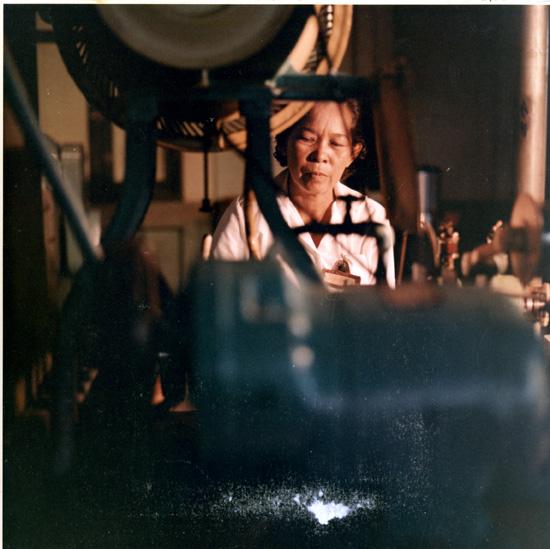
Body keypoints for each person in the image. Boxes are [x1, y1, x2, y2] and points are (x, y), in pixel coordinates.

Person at [210, 100, 395, 288]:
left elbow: (384, 302)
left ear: (352, 154)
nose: (320, 155)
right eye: (307, 138)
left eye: (336, 143)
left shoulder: (372, 216)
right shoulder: (245, 215)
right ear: (285, 142)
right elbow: (218, 296)